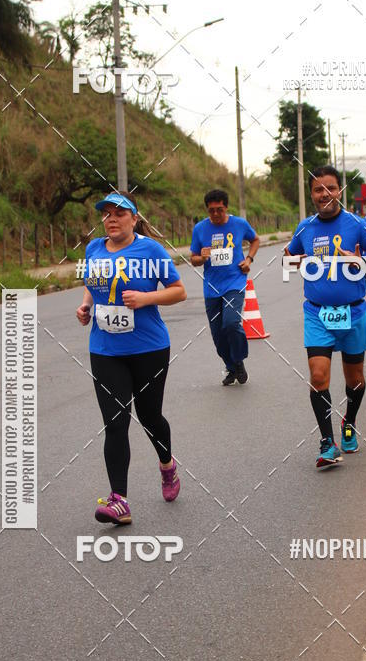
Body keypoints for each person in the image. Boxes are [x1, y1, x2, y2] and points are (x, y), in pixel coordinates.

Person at [76, 192, 187, 524]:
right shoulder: (93, 249)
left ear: (135, 218)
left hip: (149, 348)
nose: (111, 218)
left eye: (119, 213)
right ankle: (118, 501)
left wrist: (146, 297)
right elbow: (91, 285)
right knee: (115, 422)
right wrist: (86, 307)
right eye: (107, 213)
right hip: (106, 350)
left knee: (150, 417)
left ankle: (167, 467)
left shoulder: (150, 250)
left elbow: (178, 290)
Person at [285, 165, 366, 468]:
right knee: (318, 376)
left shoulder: (358, 225)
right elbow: (288, 261)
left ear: (339, 191)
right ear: (312, 194)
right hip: (317, 314)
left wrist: (361, 260)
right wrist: (294, 259)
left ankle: (349, 423)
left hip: (352, 313)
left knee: (355, 380)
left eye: (330, 188)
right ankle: (328, 442)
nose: (324, 194)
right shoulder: (305, 227)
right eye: (318, 189)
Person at [190, 189, 260, 385]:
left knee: (230, 323)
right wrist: (201, 258)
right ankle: (231, 366)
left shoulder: (239, 224)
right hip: (211, 287)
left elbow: (255, 239)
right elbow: (193, 259)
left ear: (226, 207)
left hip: (234, 282)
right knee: (218, 335)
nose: (215, 214)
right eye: (211, 210)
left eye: (219, 210)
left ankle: (238, 360)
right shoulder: (200, 229)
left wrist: (249, 259)